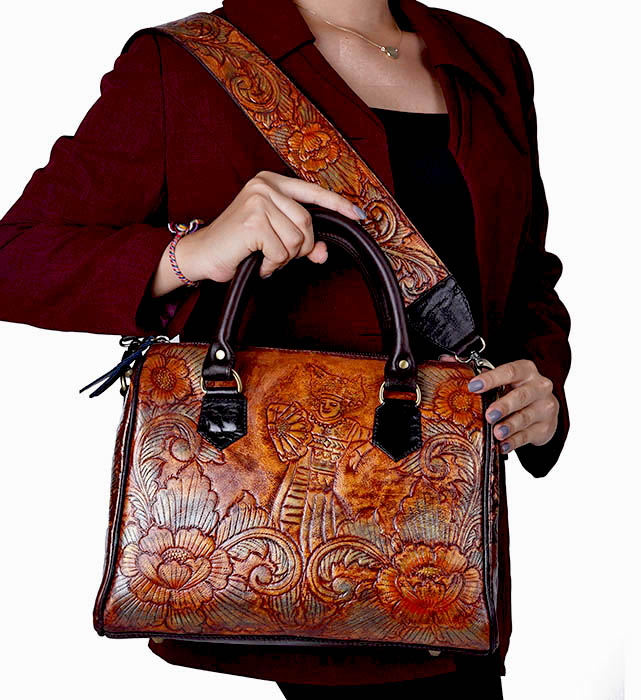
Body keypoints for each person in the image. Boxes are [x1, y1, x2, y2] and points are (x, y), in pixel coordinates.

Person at [0, 0, 571, 697]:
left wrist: (538, 386)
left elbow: (526, 279)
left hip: (444, 551)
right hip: (270, 567)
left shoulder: (489, 60)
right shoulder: (187, 64)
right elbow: (16, 259)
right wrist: (193, 253)